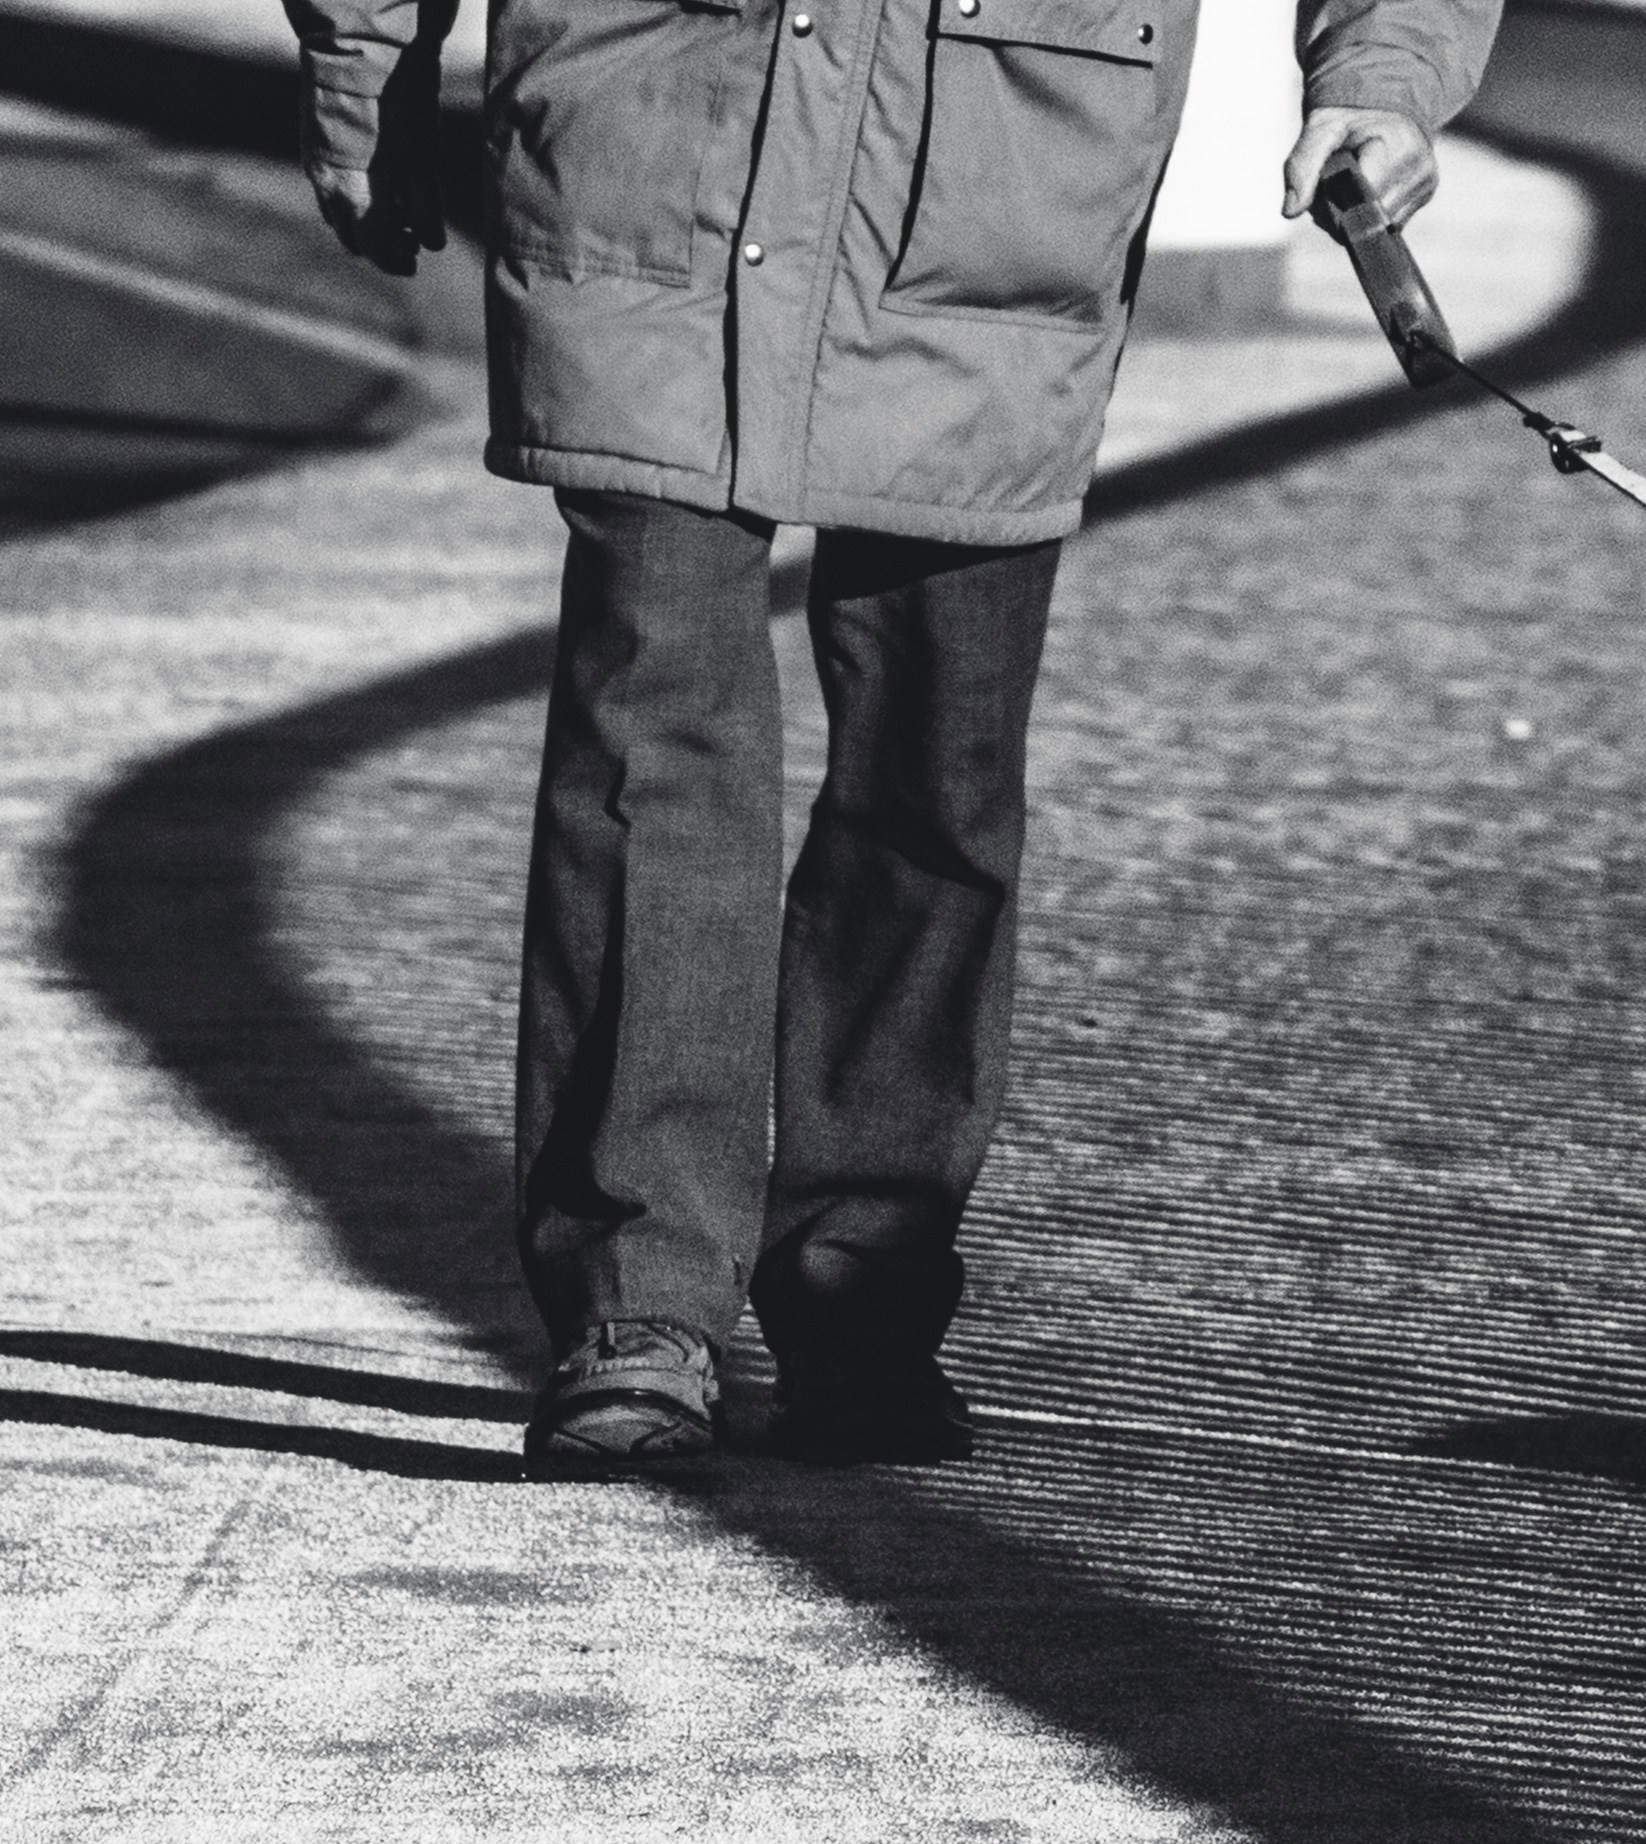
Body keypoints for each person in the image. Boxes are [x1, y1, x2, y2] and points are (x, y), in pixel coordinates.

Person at [286, 0, 1504, 1470]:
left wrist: (1382, 74)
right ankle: (637, 1303)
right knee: (645, 727)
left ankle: (860, 1290)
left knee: (939, 764)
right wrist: (367, 54)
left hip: (996, 176)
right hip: (659, 121)